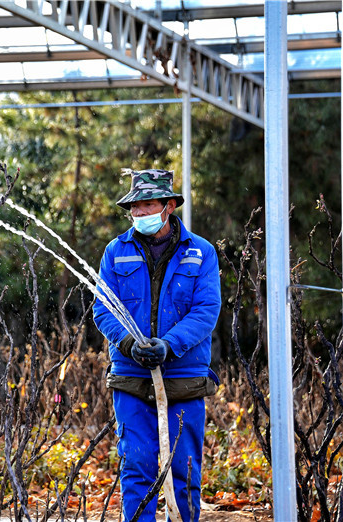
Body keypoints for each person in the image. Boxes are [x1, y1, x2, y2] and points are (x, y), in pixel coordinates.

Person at [93, 169, 221, 521]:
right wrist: (128, 342)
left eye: (148, 206)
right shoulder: (115, 252)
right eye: (135, 208)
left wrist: (168, 345)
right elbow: (103, 309)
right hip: (132, 378)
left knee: (185, 472)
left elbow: (206, 310)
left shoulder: (201, 253)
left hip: (184, 378)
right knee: (137, 467)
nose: (140, 215)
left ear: (168, 206)